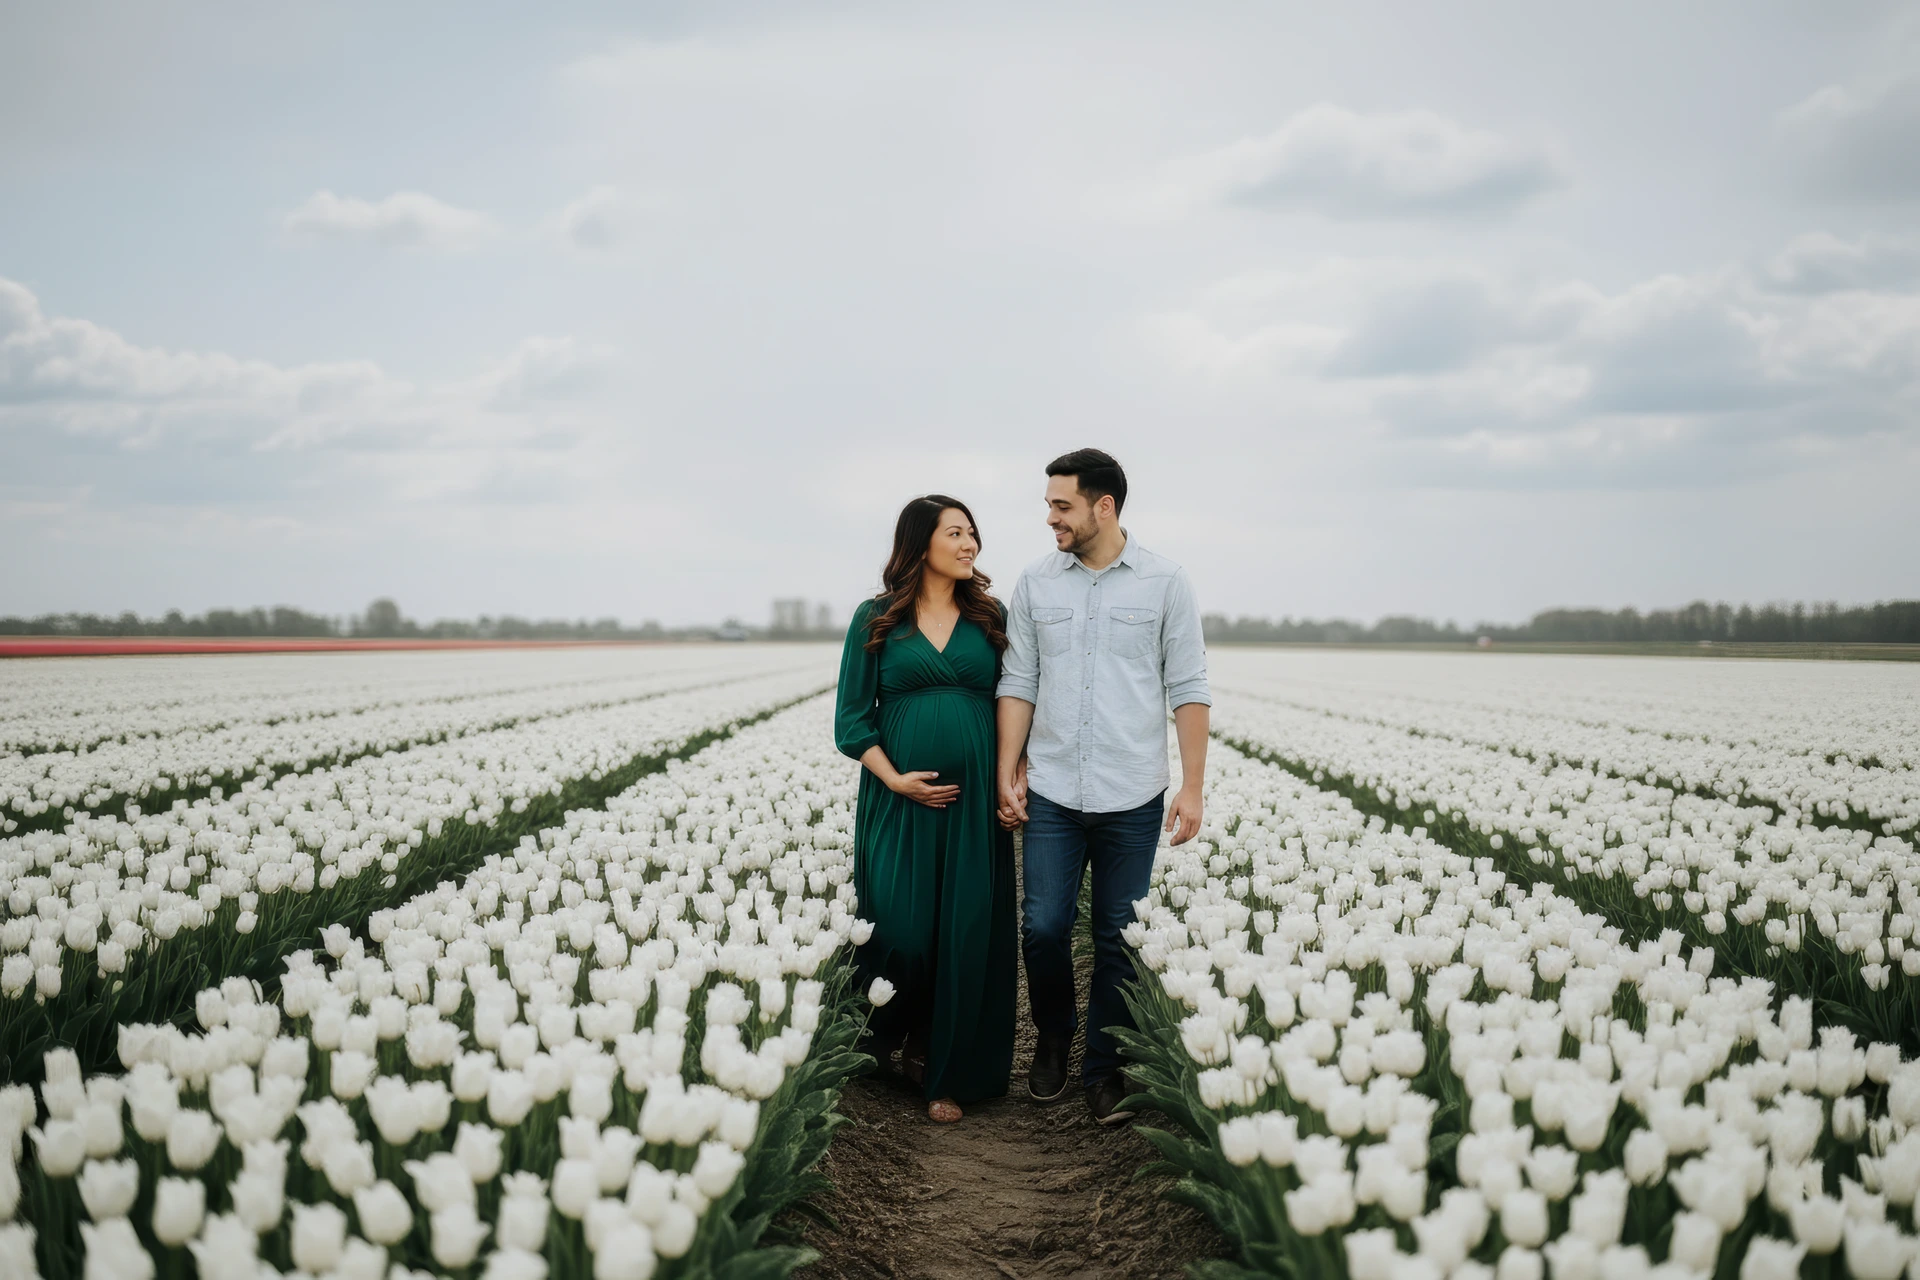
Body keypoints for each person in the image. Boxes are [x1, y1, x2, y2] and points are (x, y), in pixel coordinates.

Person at [995, 449, 1210, 1125]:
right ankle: (1054, 1037)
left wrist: (1193, 787)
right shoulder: (1036, 582)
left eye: (1061, 506)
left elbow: (1188, 686)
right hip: (1055, 786)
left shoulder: (1166, 582)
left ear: (1103, 506)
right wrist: (1007, 767)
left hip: (1133, 790)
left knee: (1119, 936)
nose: (1050, 518)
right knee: (1043, 927)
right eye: (1049, 505)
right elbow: (1019, 680)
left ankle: (1103, 1069)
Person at [834, 495, 1018, 1124]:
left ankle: (945, 1070)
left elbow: (1015, 700)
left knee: (965, 932)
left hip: (973, 806)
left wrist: (1011, 774)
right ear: (920, 543)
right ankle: (891, 1039)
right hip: (898, 802)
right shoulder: (876, 618)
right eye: (956, 534)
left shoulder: (989, 616)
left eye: (973, 535)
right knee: (904, 934)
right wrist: (896, 780)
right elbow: (851, 719)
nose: (970, 545)